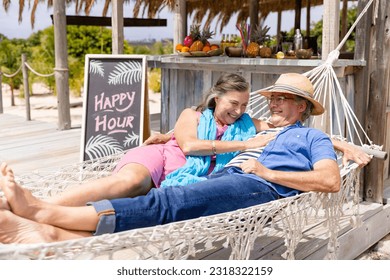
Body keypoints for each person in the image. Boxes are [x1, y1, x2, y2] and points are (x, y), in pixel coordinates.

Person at [0, 73, 372, 244]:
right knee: (164, 213)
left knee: (169, 202)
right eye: (271, 97)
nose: (271, 102)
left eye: (281, 98)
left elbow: (330, 181)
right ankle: (53, 233)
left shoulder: (311, 135)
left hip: (257, 187)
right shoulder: (264, 129)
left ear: (302, 106)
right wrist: (168, 136)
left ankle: (40, 212)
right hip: (226, 179)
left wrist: (265, 169)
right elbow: (196, 140)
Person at [39, 73, 275, 207]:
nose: (239, 110)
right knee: (129, 183)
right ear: (216, 98)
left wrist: (288, 104)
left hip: (182, 182)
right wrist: (246, 144)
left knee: (130, 202)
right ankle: (45, 205)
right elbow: (190, 146)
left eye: (244, 105)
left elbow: (278, 125)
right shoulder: (191, 115)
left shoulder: (244, 124)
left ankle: (49, 216)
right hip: (159, 157)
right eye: (233, 103)